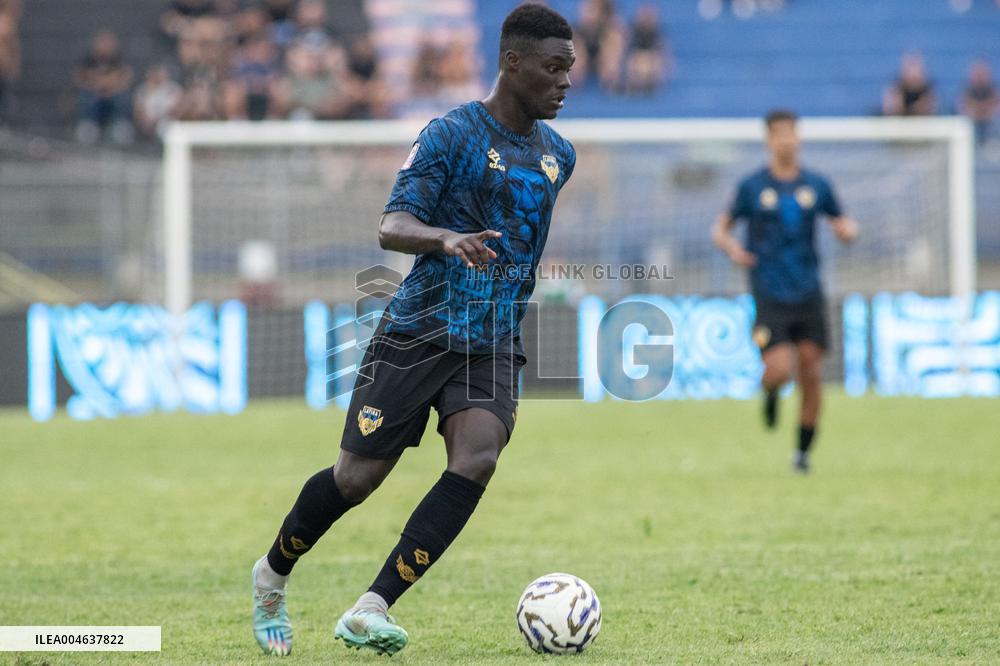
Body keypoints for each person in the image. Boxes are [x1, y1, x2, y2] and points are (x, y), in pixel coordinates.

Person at [249, 3, 576, 657]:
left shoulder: (557, 157)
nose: (567, 81)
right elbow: (391, 225)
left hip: (491, 341)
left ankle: (371, 606)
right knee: (355, 481)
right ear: (513, 64)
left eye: (571, 68)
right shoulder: (450, 133)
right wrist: (448, 238)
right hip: (417, 332)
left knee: (478, 456)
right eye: (554, 67)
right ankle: (271, 575)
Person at [711, 109, 858, 473]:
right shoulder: (752, 187)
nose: (786, 140)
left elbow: (843, 221)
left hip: (808, 291)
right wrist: (732, 249)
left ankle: (802, 454)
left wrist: (848, 231)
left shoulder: (817, 186)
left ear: (799, 137)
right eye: (779, 134)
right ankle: (771, 393)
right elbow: (720, 228)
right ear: (769, 141)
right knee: (778, 370)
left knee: (810, 369)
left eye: (791, 133)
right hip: (768, 293)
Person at [883, 52, 936, 116]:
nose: (913, 73)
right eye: (910, 67)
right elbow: (891, 109)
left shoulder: (928, 88)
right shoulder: (896, 87)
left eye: (915, 67)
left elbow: (929, 109)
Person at [960, 59, 998, 145]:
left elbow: (995, 105)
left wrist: (979, 108)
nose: (980, 75)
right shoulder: (968, 89)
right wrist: (982, 109)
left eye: (982, 73)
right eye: (977, 73)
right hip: (974, 121)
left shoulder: (992, 89)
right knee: (964, 125)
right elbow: (964, 105)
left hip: (989, 122)